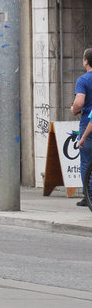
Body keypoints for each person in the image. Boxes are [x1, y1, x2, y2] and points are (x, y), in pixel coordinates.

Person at [71, 47, 92, 205]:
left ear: (85, 62)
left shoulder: (83, 80)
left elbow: (79, 102)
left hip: (87, 123)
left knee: (86, 161)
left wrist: (73, 109)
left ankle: (89, 195)